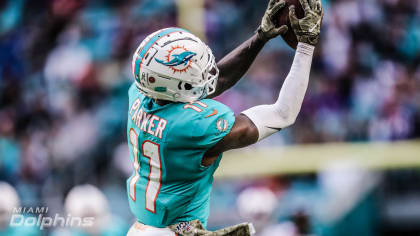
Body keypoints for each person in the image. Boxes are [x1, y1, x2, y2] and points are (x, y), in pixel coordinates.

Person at [125, 0, 323, 235]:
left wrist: (260, 37)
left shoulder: (139, 95)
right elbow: (283, 114)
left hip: (141, 228)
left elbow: (209, 84)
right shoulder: (193, 126)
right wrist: (306, 47)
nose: (206, 69)